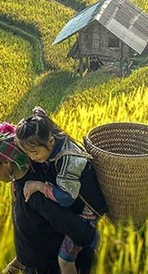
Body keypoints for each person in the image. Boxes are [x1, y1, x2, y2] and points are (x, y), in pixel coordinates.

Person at [0, 122, 96, 274]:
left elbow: (81, 232)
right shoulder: (18, 185)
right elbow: (35, 235)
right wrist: (17, 264)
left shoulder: (34, 193)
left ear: (6, 163)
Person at [15, 107, 107, 274]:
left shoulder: (68, 162)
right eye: (28, 154)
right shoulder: (54, 140)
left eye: (35, 153)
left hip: (87, 214)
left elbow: (66, 198)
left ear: (50, 142)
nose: (32, 158)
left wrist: (39, 186)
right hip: (77, 205)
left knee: (64, 260)